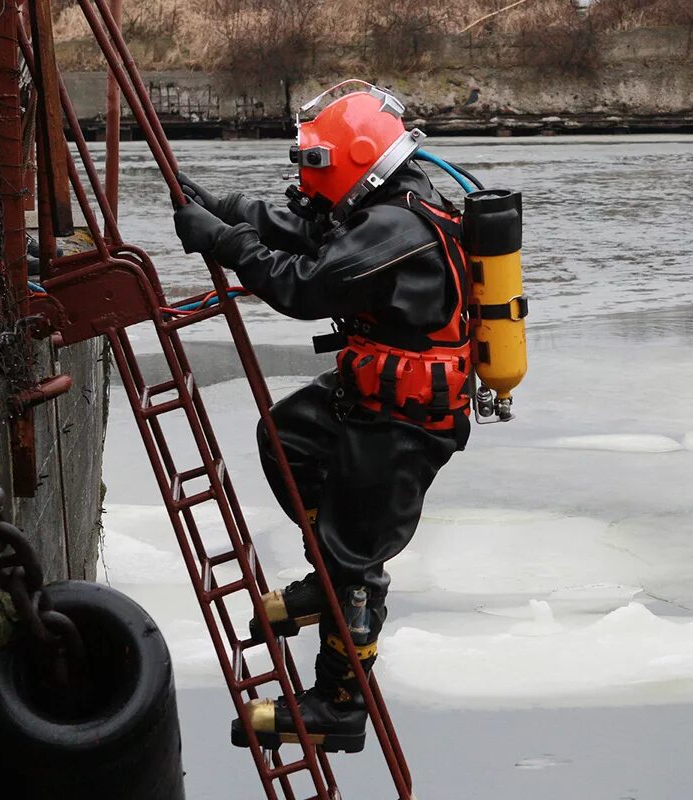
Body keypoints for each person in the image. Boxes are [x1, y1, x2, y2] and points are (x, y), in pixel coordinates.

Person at [171, 81, 472, 753]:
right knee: (287, 439)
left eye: (314, 163)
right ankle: (330, 577)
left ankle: (339, 704)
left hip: (405, 423)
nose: (305, 178)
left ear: (355, 157)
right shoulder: (379, 203)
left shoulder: (398, 226)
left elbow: (303, 286)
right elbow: (306, 228)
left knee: (357, 557)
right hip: (370, 400)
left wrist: (222, 243)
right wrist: (219, 208)